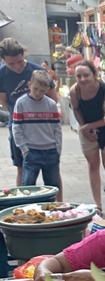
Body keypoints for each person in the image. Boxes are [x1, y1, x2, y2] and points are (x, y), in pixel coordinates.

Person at [0, 38, 58, 186]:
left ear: (24, 55)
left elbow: (53, 98)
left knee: (52, 171)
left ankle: (60, 204)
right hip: (18, 124)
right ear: (3, 61)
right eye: (11, 64)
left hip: (42, 126)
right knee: (22, 168)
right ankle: (22, 203)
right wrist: (20, 113)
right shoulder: (2, 74)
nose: (17, 67)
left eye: (20, 61)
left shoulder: (37, 70)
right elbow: (4, 101)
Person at [12, 70, 62, 195]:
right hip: (31, 150)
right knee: (27, 187)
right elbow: (16, 128)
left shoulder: (51, 104)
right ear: (29, 85)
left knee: (53, 187)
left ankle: (53, 210)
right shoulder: (21, 103)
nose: (38, 93)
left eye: (43, 91)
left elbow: (57, 128)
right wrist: (24, 149)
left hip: (50, 151)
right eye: (36, 89)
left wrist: (58, 149)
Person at [69, 60, 105, 212]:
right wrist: (84, 128)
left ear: (95, 75)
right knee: (93, 165)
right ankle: (97, 205)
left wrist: (91, 127)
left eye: (86, 75)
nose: (82, 80)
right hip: (86, 128)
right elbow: (76, 109)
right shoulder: (75, 91)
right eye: (78, 76)